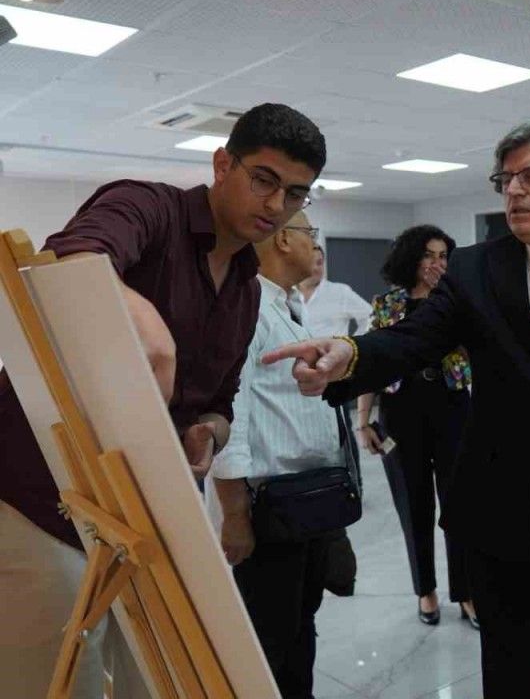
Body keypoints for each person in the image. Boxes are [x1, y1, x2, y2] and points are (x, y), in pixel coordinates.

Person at [263, 120, 530, 699]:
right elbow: (412, 339)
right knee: (510, 674)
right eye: (505, 180)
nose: (514, 190)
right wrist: (349, 354)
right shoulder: (476, 269)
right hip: (502, 512)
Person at [0, 102, 326, 699]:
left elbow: (222, 399)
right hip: (39, 496)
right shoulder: (150, 207)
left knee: (159, 677)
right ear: (222, 164)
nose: (277, 204)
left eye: (296, 194)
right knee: (50, 678)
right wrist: (134, 311)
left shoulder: (247, 292)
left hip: (145, 513)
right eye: (264, 179)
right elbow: (75, 251)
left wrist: (210, 431)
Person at [209, 211, 346, 699]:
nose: (316, 245)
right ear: (284, 239)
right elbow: (230, 415)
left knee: (300, 624)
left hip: (308, 501)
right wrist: (234, 514)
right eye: (311, 234)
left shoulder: (286, 305)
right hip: (270, 508)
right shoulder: (245, 309)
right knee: (270, 639)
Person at [353, 224, 477, 629]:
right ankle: (425, 590)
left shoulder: (460, 300)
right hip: (401, 410)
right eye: (428, 255)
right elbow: (371, 363)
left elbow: (480, 353)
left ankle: (467, 592)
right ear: (411, 258)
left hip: (452, 405)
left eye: (443, 256)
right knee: (413, 504)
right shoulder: (387, 304)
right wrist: (363, 421)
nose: (436, 263)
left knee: (460, 505)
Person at [299, 241, 373, 338]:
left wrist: (352, 343)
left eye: (319, 263)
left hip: (332, 348)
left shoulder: (340, 292)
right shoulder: (287, 295)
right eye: (310, 263)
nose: (315, 268)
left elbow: (371, 317)